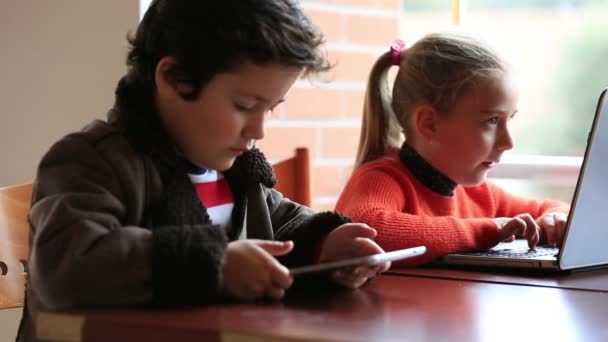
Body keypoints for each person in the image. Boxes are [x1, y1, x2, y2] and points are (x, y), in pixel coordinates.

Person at [18, 0, 389, 340]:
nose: (259, 130)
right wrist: (216, 263)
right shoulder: (91, 161)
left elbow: (279, 221)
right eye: (245, 105)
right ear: (175, 79)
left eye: (270, 108)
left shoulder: (233, 171)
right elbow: (66, 267)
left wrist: (324, 244)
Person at [335, 32, 570, 266]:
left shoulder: (480, 194)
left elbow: (550, 208)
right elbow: (369, 232)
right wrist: (490, 229)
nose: (508, 142)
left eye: (510, 119)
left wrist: (555, 218)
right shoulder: (381, 179)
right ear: (429, 124)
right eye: (491, 120)